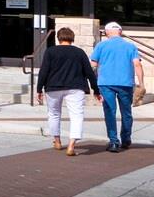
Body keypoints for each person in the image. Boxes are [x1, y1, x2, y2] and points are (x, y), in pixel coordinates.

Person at [35, 26, 97, 156]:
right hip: (75, 87)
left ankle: (57, 141)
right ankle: (71, 145)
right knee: (76, 115)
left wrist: (39, 89)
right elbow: (89, 72)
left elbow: (44, 71)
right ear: (72, 38)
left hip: (53, 86)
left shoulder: (50, 51)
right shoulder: (79, 52)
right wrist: (95, 89)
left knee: (54, 114)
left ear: (58, 38)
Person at [89, 21, 145, 152]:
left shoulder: (101, 45)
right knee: (126, 112)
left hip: (105, 83)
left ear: (107, 32)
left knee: (110, 112)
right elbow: (137, 64)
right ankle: (126, 139)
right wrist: (141, 84)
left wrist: (92, 81)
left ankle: (113, 141)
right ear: (120, 31)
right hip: (125, 83)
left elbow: (93, 64)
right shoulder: (130, 46)